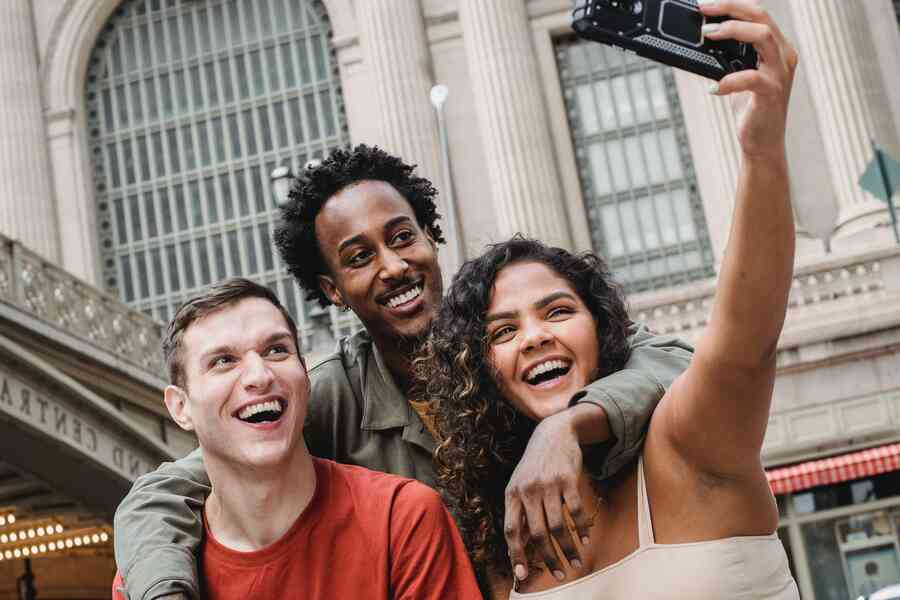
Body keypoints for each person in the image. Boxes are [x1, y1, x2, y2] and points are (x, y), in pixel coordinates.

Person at [114, 147, 693, 599]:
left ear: (431, 237)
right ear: (332, 291)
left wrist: (565, 427)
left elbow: (677, 364)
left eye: (401, 238)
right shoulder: (325, 395)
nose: (393, 267)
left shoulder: (514, 338)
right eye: (360, 257)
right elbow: (164, 493)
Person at [419, 1, 800, 597]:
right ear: (482, 372)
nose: (535, 336)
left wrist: (762, 149)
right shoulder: (508, 535)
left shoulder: (688, 448)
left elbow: (747, 340)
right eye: (502, 331)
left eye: (558, 311)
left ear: (605, 332)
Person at [112, 278, 481, 599]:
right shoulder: (151, 575)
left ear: (306, 377)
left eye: (277, 350)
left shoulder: (402, 519)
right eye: (223, 361)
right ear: (180, 407)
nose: (259, 374)